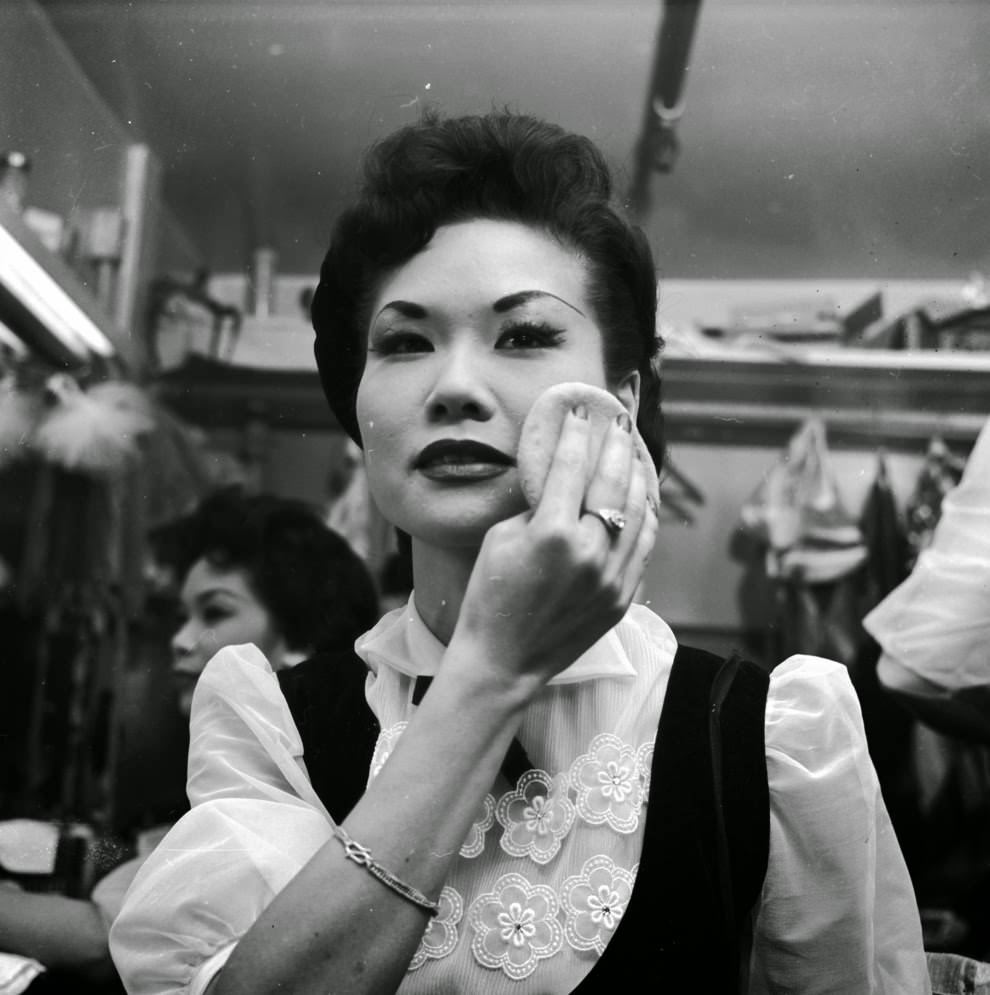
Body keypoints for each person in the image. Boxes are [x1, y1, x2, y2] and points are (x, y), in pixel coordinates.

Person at [110, 110, 929, 994]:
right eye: (404, 341)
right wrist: (492, 670)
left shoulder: (774, 736)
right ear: (359, 405)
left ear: (621, 396)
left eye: (526, 335)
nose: (456, 385)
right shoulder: (275, 726)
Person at [0, 489, 378, 993]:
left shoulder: (288, 799)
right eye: (185, 615)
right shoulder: (203, 773)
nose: (181, 638)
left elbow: (103, 939)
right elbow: (130, 865)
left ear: (298, 642)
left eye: (214, 613)